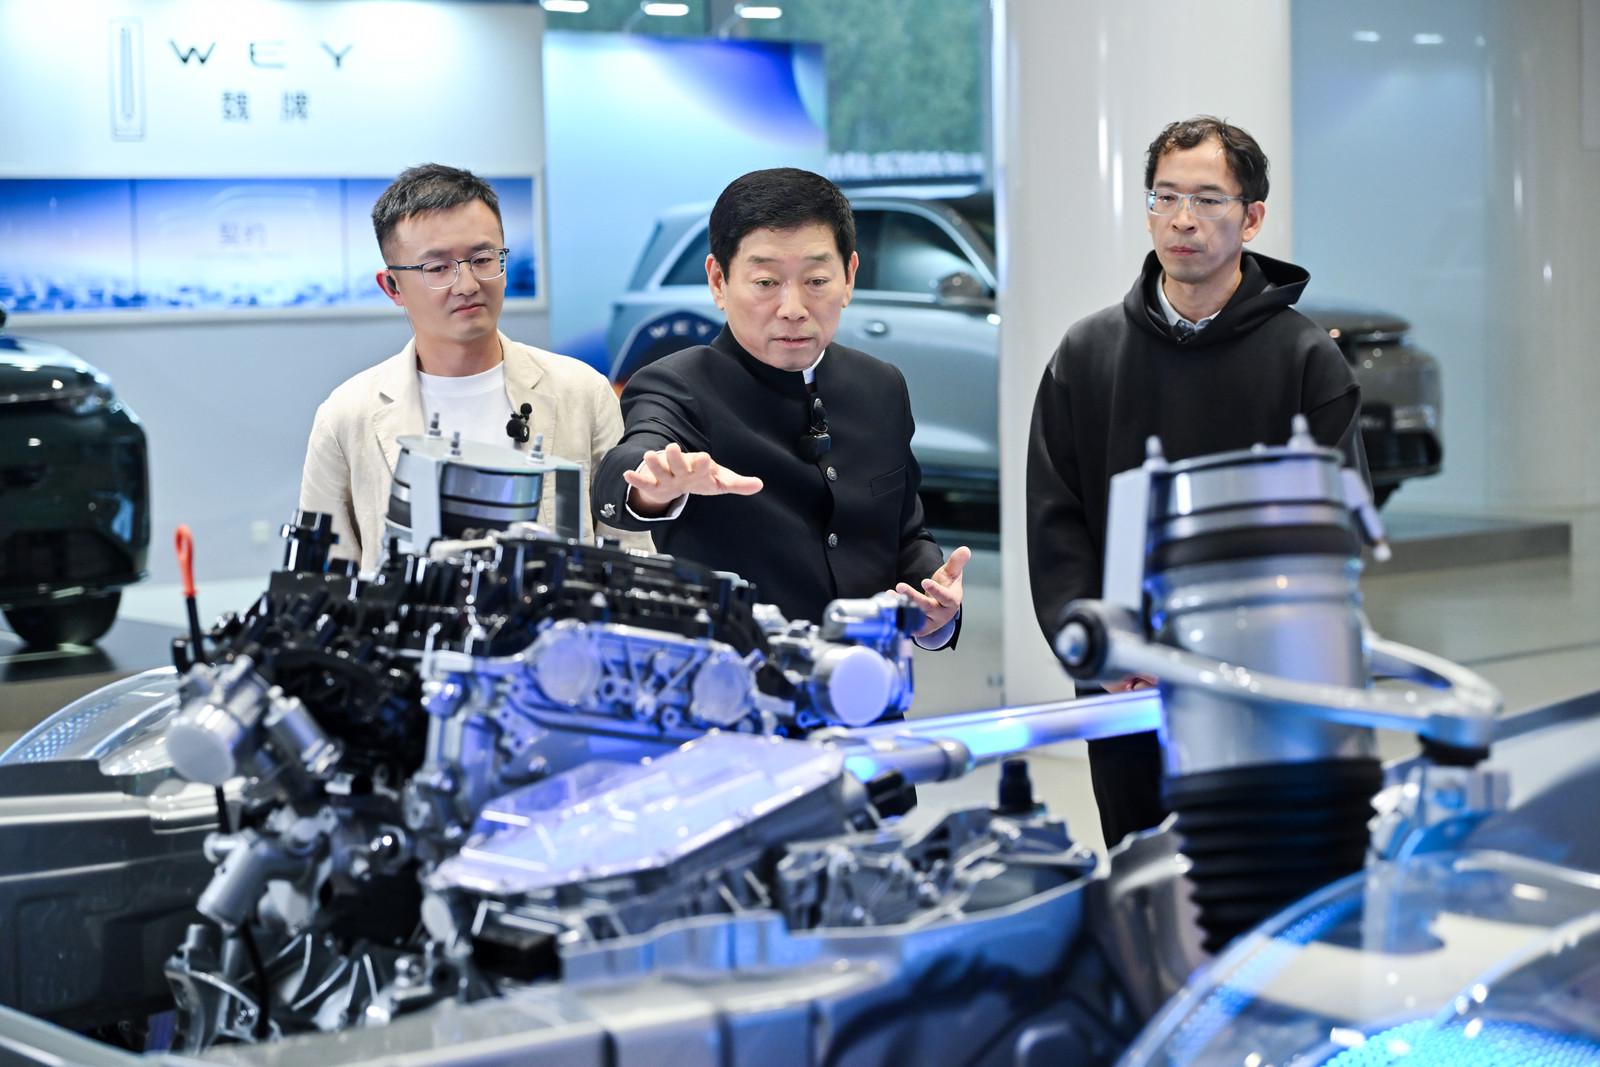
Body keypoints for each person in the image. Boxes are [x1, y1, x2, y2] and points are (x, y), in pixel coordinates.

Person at [1027, 116, 1369, 847]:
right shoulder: (1087, 354)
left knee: (1262, 877)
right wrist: (1103, 650)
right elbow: (1056, 522)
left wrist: (1247, 659)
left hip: (1264, 692)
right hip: (1126, 688)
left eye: (1209, 199)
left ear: (1252, 218)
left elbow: (1333, 536)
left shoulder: (1307, 361)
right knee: (1140, 873)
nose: (1183, 219)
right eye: (1166, 196)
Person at [592, 167, 969, 642]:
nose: (793, 308)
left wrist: (934, 604)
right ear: (718, 281)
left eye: (816, 280)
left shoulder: (881, 386)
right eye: (766, 282)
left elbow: (905, 534)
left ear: (849, 277)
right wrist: (652, 486)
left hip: (869, 677)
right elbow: (628, 466)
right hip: (737, 680)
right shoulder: (677, 385)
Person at [298, 164, 643, 570]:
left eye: (482, 259)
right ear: (392, 286)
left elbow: (632, 553)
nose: (467, 285)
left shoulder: (582, 393)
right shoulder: (347, 415)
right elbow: (320, 576)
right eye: (437, 268)